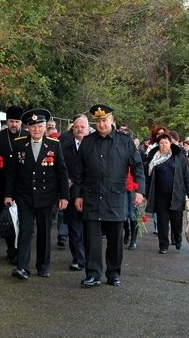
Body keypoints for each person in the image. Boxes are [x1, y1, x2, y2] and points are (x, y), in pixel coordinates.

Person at [73, 104, 145, 288]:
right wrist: (77, 195)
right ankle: (93, 274)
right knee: (92, 240)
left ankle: (113, 273)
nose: (101, 124)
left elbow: (137, 166)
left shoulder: (125, 141)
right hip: (91, 197)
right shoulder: (87, 142)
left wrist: (139, 190)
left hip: (115, 197)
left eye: (104, 120)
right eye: (98, 121)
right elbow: (79, 172)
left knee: (115, 239)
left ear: (112, 120)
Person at [4, 109, 69, 280]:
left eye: (40, 126)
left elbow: (62, 172)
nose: (36, 130)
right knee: (25, 230)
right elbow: (12, 172)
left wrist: (64, 196)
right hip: (24, 195)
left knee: (44, 232)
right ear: (28, 128)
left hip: (47, 196)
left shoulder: (54, 144)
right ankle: (22, 267)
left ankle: (43, 266)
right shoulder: (19, 144)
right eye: (33, 127)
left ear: (45, 127)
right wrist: (8, 195)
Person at [0, 105, 29, 264]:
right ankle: (10, 249)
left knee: (21, 219)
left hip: (23, 185)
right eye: (11, 121)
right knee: (7, 219)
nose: (14, 125)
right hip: (3, 185)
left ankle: (19, 250)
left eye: (17, 121)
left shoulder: (27, 136)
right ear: (7, 121)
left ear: (21, 123)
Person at [145, 133, 189, 254]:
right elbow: (148, 177)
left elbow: (186, 175)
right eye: (161, 143)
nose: (163, 145)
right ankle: (163, 245)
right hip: (160, 194)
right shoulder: (154, 158)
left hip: (176, 194)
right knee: (162, 221)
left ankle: (177, 240)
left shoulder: (178, 156)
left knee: (176, 220)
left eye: (166, 143)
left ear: (170, 143)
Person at [59, 114, 90, 271]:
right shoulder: (65, 146)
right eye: (76, 127)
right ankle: (78, 258)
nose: (79, 129)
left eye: (82, 127)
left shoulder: (94, 146)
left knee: (88, 228)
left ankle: (89, 256)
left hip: (90, 192)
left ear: (88, 129)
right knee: (74, 227)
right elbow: (60, 167)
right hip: (71, 191)